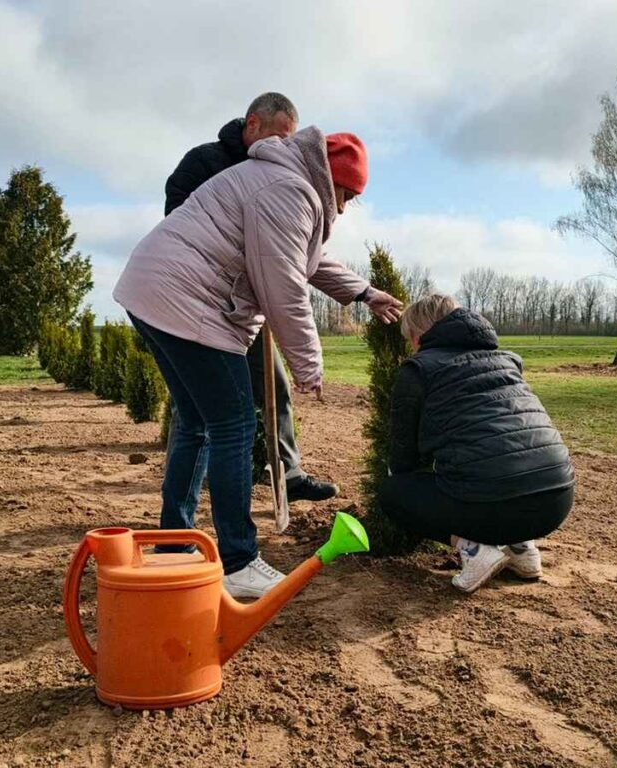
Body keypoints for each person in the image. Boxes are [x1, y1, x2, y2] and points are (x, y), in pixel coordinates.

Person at [114, 126, 403, 598]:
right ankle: (239, 560)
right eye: (347, 195)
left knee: (196, 423)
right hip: (189, 303)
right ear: (333, 179)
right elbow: (284, 284)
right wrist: (309, 362)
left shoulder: (278, 178)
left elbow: (303, 259)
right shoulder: (289, 189)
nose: (346, 207)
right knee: (234, 426)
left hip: (150, 293)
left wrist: (364, 292)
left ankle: (173, 542)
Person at [164, 92, 363, 502]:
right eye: (276, 136)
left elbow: (298, 254)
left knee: (276, 384)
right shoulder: (206, 163)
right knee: (202, 408)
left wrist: (361, 290)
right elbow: (185, 226)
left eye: (289, 139)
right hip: (206, 305)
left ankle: (287, 472)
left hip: (254, 304)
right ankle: (194, 482)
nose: (282, 146)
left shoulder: (288, 176)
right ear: (252, 124)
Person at [377, 295, 575, 593]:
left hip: (491, 506)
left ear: (419, 335)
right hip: (557, 501)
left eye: (411, 339)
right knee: (501, 463)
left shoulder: (418, 369)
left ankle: (474, 552)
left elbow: (404, 457)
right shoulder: (508, 360)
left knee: (393, 492)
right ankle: (523, 550)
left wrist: (412, 494)